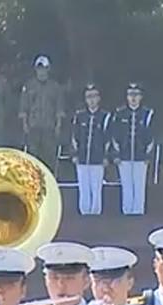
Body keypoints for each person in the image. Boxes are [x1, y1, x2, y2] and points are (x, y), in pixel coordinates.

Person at [108, 83, 154, 216]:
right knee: (126, 186)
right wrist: (116, 154)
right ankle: (127, 213)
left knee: (139, 187)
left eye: (136, 94)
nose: (133, 98)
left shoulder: (147, 114)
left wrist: (148, 155)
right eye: (130, 94)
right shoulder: (120, 113)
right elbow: (115, 135)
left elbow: (151, 136)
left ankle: (138, 213)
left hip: (140, 156)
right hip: (124, 156)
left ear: (141, 97)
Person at [69, 84, 113, 217]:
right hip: (82, 158)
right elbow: (74, 136)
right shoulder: (80, 116)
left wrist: (106, 156)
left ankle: (95, 214)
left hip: (98, 158)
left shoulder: (105, 116)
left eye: (94, 96)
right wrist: (74, 154)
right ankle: (84, 213)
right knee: (83, 188)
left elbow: (108, 138)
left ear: (99, 98)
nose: (91, 100)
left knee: (96, 188)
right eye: (89, 97)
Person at [18, 55, 67, 161]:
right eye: (39, 68)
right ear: (36, 69)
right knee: (33, 157)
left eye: (44, 68)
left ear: (48, 69)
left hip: (49, 128)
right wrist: (25, 124)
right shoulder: (29, 86)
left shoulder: (55, 87)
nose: (41, 71)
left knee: (49, 156)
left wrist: (58, 125)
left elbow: (59, 108)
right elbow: (24, 107)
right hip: (33, 127)